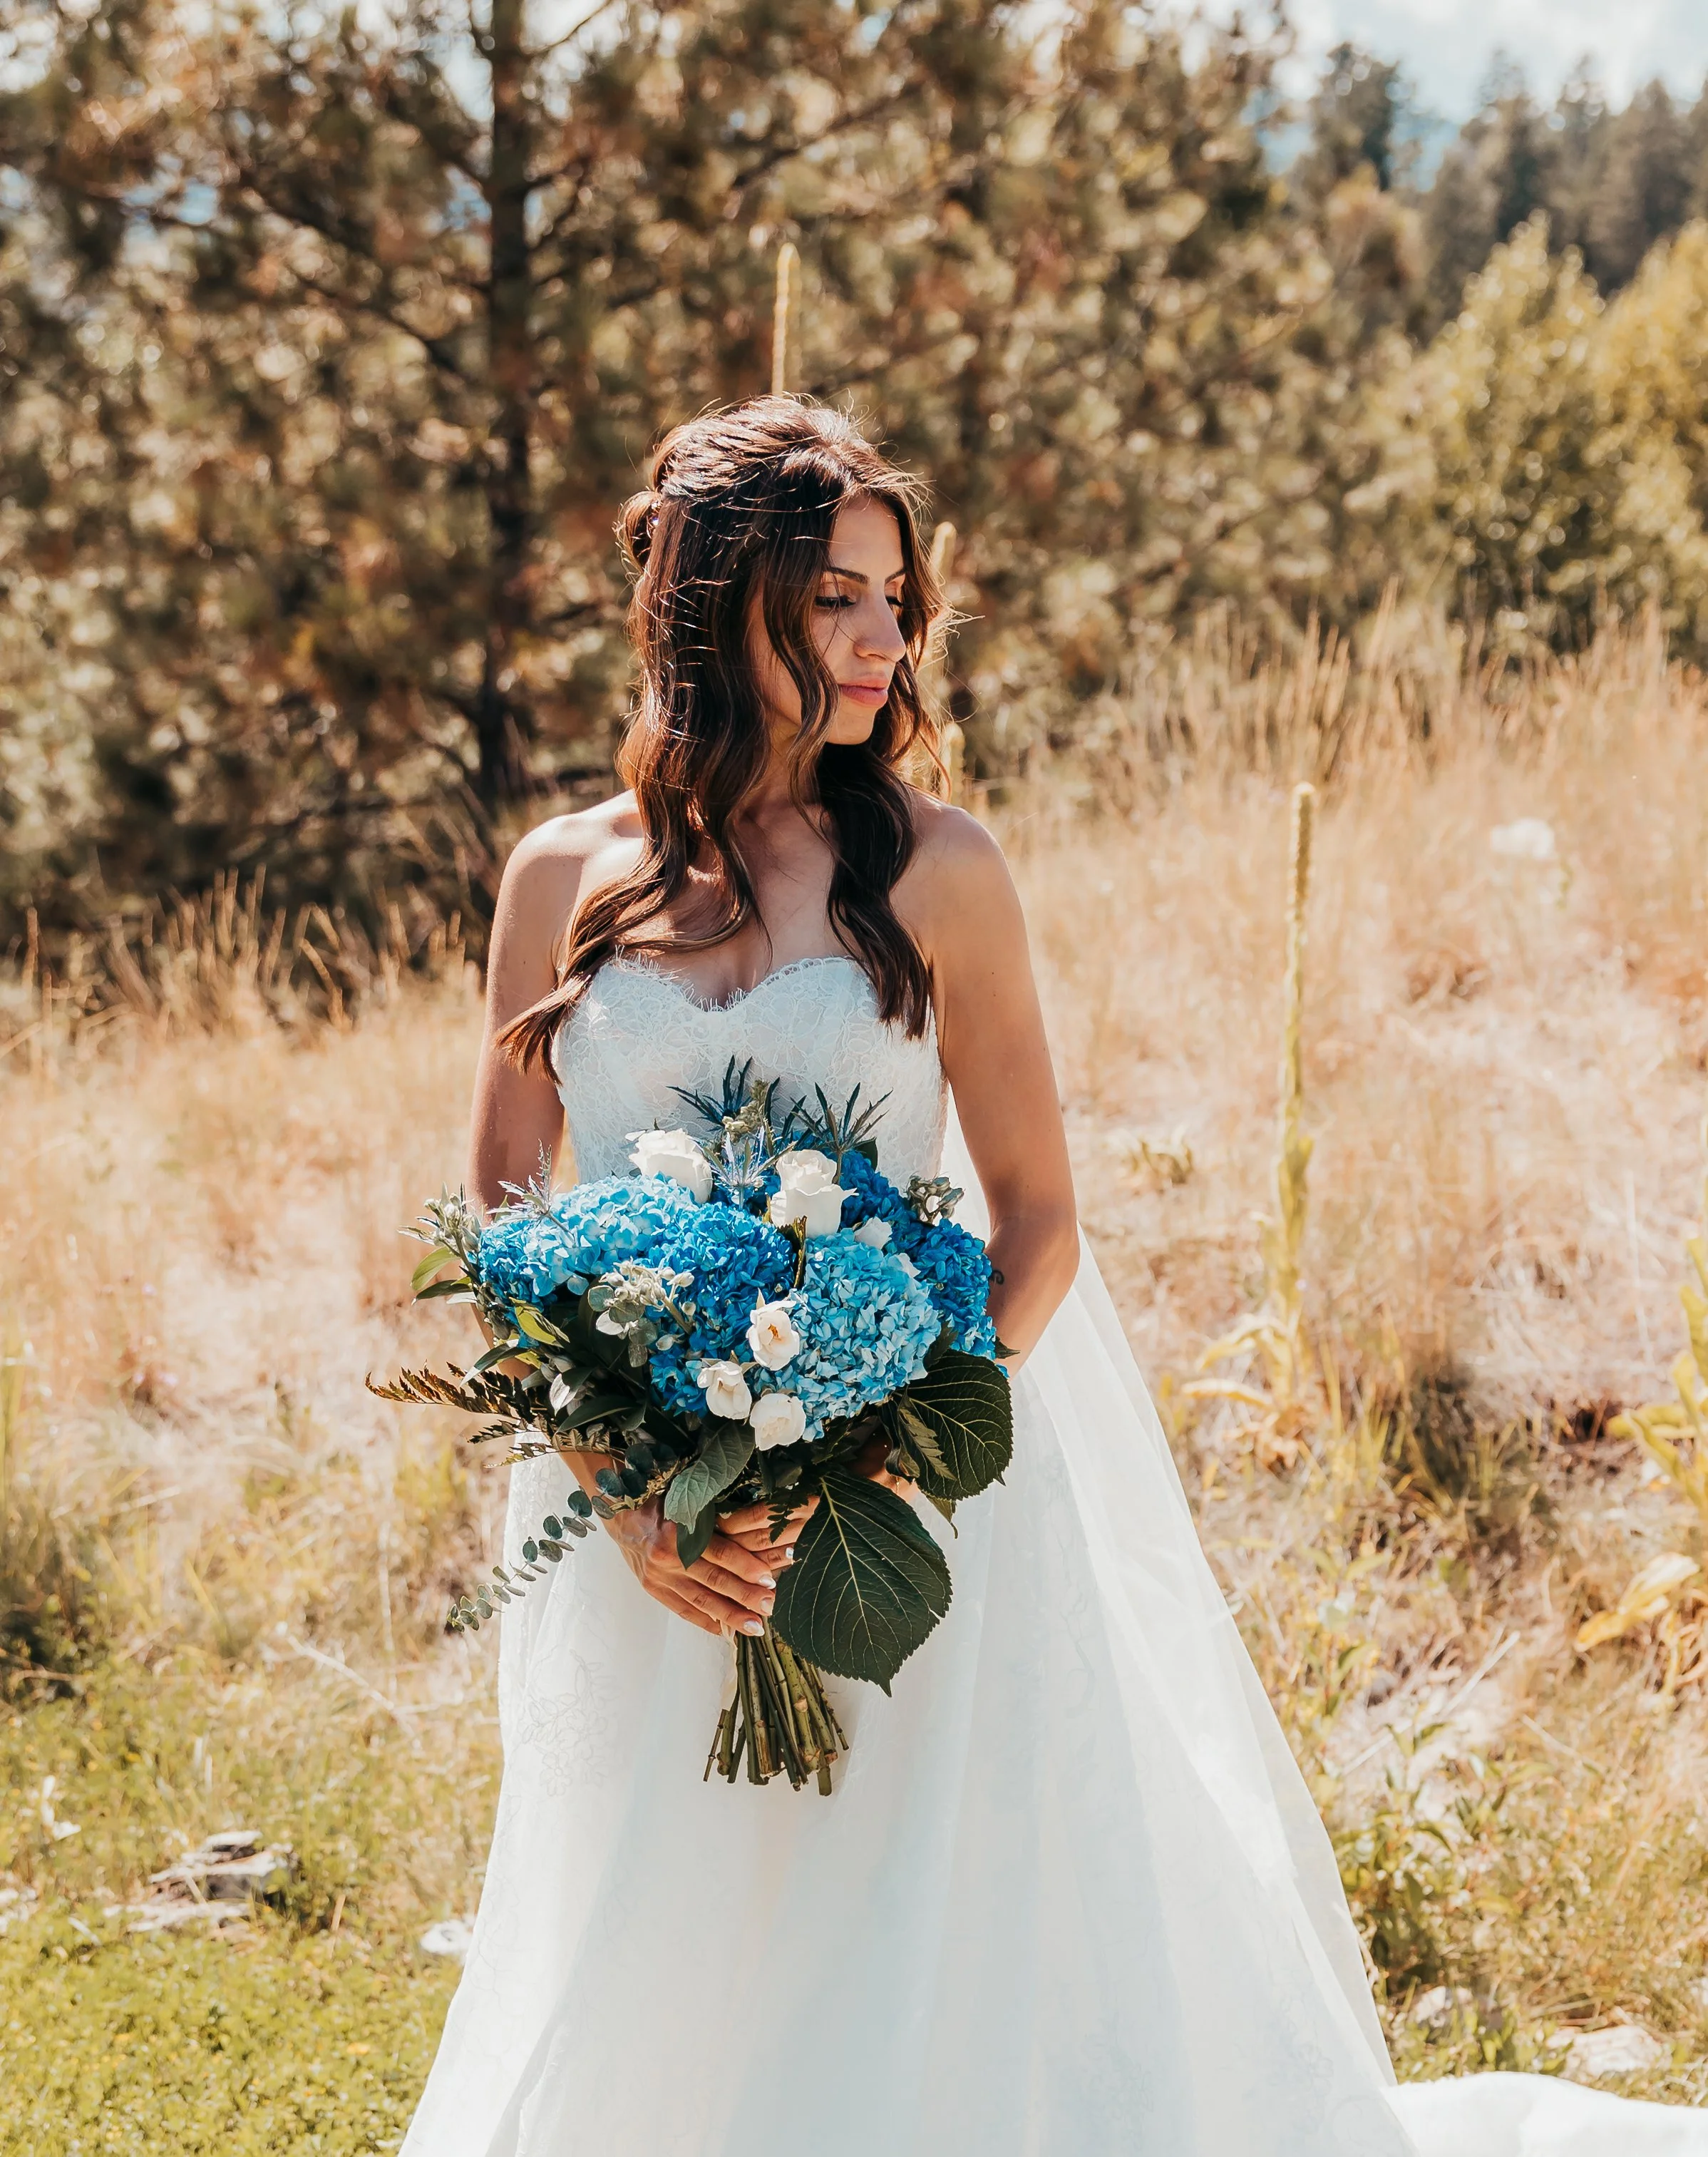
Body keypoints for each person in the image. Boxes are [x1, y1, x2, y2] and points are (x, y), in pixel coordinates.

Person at [401, 399, 1707, 2157]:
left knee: (909, 1926)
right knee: (659, 1919)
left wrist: (872, 1450)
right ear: (720, 610)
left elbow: (1035, 1223)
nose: (884, 641)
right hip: (648, 1534)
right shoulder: (561, 877)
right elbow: (498, 1217)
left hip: (905, 1513)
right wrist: (632, 1499)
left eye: (894, 600)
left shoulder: (941, 872)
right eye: (837, 600)